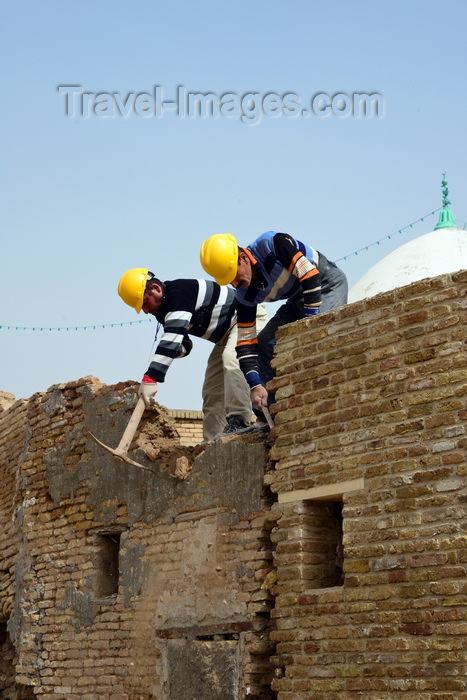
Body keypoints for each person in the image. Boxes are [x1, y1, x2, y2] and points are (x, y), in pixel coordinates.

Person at [200, 231, 348, 430]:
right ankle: (265, 418)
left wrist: (310, 326)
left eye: (233, 276)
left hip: (326, 285)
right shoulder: (244, 295)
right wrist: (254, 385)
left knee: (316, 340)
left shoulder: (271, 244)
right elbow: (245, 344)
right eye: (228, 281)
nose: (234, 284)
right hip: (297, 299)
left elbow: (310, 276)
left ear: (243, 258)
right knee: (263, 345)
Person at [117, 268, 267, 442]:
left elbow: (171, 341)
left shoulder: (179, 294)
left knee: (231, 359)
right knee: (212, 388)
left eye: (144, 302)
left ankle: (239, 421)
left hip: (247, 319)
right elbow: (185, 345)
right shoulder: (163, 312)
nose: (145, 310)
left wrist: (151, 378)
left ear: (156, 289)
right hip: (225, 337)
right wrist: (171, 351)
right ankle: (211, 441)